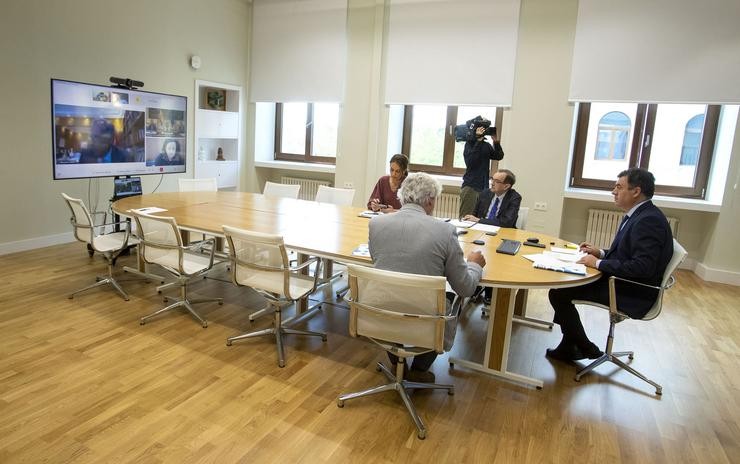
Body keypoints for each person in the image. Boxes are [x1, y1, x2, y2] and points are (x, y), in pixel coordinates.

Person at [546, 168, 673, 362]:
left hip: (632, 291)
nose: (613, 191)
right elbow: (627, 253)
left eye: (619, 187)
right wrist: (601, 253)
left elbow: (642, 267)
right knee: (562, 288)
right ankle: (570, 344)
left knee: (559, 292)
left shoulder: (648, 221)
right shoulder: (640, 214)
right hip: (621, 281)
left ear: (636, 191)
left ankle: (583, 346)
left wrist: (598, 262)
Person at [369, 172, 487, 382]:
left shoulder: (376, 224)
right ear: (431, 201)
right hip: (424, 320)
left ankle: (397, 363)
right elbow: (466, 288)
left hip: (380, 312)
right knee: (450, 298)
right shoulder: (445, 231)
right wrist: (474, 265)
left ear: (402, 197)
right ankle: (420, 369)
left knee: (394, 287)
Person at [458, 117, 504, 218]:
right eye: (481, 129)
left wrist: (496, 141)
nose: (483, 131)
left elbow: (498, 156)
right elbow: (471, 162)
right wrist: (478, 141)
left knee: (478, 219)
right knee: (466, 218)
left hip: (484, 188)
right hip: (470, 187)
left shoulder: (486, 145)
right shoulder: (469, 144)